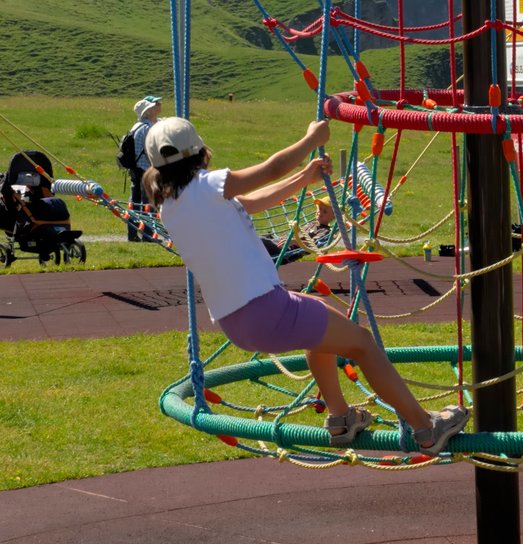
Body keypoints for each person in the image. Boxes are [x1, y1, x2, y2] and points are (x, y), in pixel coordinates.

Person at [141, 116, 469, 455]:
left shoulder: (171, 206)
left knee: (319, 321)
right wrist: (310, 139)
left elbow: (253, 203)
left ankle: (341, 417)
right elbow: (270, 170)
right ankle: (426, 429)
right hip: (267, 310)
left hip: (236, 323)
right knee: (363, 344)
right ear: (199, 153)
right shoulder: (208, 187)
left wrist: (304, 178)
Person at [127, 95, 162, 241]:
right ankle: (148, 235)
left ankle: (132, 233)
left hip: (135, 169)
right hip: (146, 169)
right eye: (156, 104)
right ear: (149, 110)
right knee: (149, 203)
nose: (159, 105)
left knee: (134, 202)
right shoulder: (148, 128)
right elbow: (153, 151)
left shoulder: (137, 126)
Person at [261, 197, 336, 263]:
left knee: (260, 241)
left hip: (287, 252)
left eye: (325, 212)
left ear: (333, 216)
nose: (320, 212)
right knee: (258, 239)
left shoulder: (325, 231)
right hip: (280, 242)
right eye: (320, 209)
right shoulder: (312, 224)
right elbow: (297, 234)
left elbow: (313, 245)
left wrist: (295, 241)